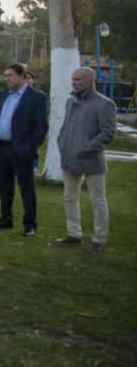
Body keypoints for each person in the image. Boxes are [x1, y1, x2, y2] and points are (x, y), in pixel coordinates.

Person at [52, 67, 117, 252]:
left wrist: (86, 147)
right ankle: (74, 233)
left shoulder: (104, 104)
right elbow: (65, 126)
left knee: (97, 199)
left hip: (92, 160)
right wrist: (62, 143)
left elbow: (108, 133)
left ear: (90, 81)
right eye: (73, 79)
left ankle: (99, 239)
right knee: (70, 197)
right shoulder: (71, 101)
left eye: (78, 79)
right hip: (70, 158)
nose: (74, 82)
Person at [0, 63, 49, 236]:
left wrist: (31, 147)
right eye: (6, 75)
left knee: (26, 187)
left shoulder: (36, 97)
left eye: (11, 75)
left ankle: (29, 223)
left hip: (21, 148)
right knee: (3, 185)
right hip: (0, 147)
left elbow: (41, 126)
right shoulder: (2, 95)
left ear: (22, 76)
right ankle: (5, 218)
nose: (7, 78)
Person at [25, 71, 40, 175]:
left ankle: (34, 167)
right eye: (25, 78)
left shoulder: (39, 94)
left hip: (34, 126)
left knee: (34, 148)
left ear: (33, 80)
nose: (26, 80)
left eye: (29, 78)